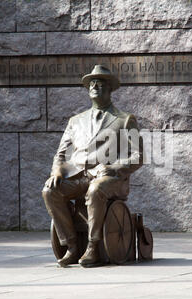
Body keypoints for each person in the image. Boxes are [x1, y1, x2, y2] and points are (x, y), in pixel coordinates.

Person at [42, 65, 143, 267]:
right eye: (92, 83)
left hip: (110, 178)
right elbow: (61, 154)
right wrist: (57, 172)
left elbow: (138, 156)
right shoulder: (75, 121)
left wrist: (115, 168)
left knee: (96, 189)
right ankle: (71, 245)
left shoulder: (125, 120)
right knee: (49, 191)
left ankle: (92, 246)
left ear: (110, 89)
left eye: (101, 82)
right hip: (79, 174)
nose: (95, 86)